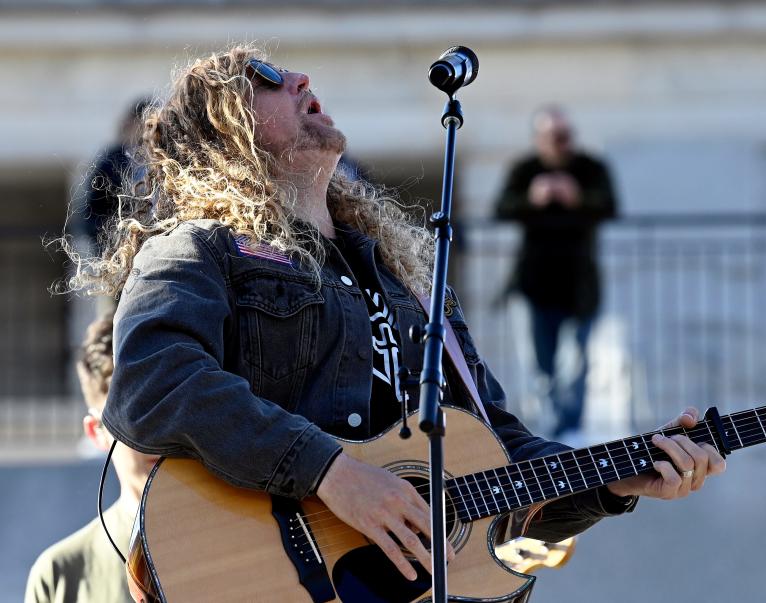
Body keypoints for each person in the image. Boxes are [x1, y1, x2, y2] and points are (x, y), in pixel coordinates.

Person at [61, 47, 724, 588]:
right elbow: (154, 380)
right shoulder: (199, 247)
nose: (301, 77)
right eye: (265, 77)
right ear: (223, 129)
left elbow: (503, 452)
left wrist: (613, 479)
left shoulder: (410, 281)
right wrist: (331, 473)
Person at [495, 106, 617, 439]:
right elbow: (502, 208)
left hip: (579, 284)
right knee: (539, 364)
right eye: (554, 136)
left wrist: (577, 197)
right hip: (534, 282)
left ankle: (570, 429)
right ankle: (546, 430)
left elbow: (610, 205)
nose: (561, 144)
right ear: (540, 139)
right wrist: (534, 198)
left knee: (577, 362)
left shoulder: (590, 169)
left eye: (566, 136)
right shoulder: (526, 170)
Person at [24, 312, 159, 603]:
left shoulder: (253, 539)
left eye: (166, 411)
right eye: (133, 417)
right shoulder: (59, 576)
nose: (155, 435)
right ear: (96, 432)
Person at [75, 98, 150, 256]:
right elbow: (92, 210)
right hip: (115, 245)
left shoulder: (159, 158)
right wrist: (111, 236)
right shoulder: (111, 159)